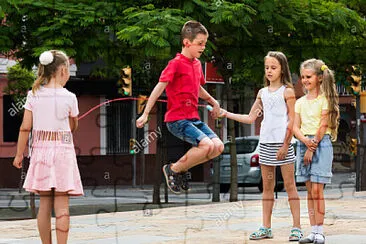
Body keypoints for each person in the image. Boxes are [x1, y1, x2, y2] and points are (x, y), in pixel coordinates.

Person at [220, 51, 303, 241]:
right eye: (267, 68)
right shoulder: (262, 93)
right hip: (264, 145)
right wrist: (226, 113)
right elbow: (250, 118)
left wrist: (285, 145)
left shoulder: (288, 92)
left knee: (290, 185)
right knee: (267, 187)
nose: (269, 71)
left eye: (273, 67)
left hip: (283, 144)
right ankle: (266, 227)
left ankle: (297, 227)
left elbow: (292, 122)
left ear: (282, 69)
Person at [136, 20, 224, 194]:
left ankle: (180, 169)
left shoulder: (198, 65)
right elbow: (158, 88)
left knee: (218, 147)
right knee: (206, 146)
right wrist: (145, 114)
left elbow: (197, 89)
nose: (203, 47)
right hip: (176, 119)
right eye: (200, 44)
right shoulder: (175, 64)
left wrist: (214, 101)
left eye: (204, 44)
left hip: (193, 119)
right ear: (186, 42)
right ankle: (174, 170)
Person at [13, 50, 83, 244]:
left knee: (44, 204)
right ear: (62, 71)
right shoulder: (69, 97)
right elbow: (72, 126)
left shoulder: (33, 95)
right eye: (68, 69)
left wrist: (19, 154)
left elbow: (25, 127)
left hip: (41, 152)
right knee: (62, 205)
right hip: (63, 153)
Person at [294, 59, 339, 244]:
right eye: (303, 77)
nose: (305, 80)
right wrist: (304, 141)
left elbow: (323, 125)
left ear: (319, 78)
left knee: (317, 190)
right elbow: (295, 127)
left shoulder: (325, 100)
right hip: (304, 142)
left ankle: (320, 232)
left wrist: (311, 147)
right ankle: (312, 231)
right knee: (309, 191)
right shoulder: (299, 102)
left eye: (308, 77)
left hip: (321, 143)